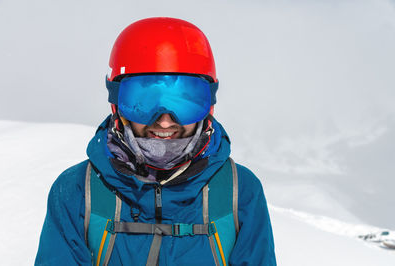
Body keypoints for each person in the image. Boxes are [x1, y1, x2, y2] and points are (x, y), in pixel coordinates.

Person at [35, 17, 276, 266]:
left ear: (208, 106)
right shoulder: (77, 191)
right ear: (117, 104)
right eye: (143, 102)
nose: (164, 121)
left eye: (184, 102)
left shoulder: (238, 191)